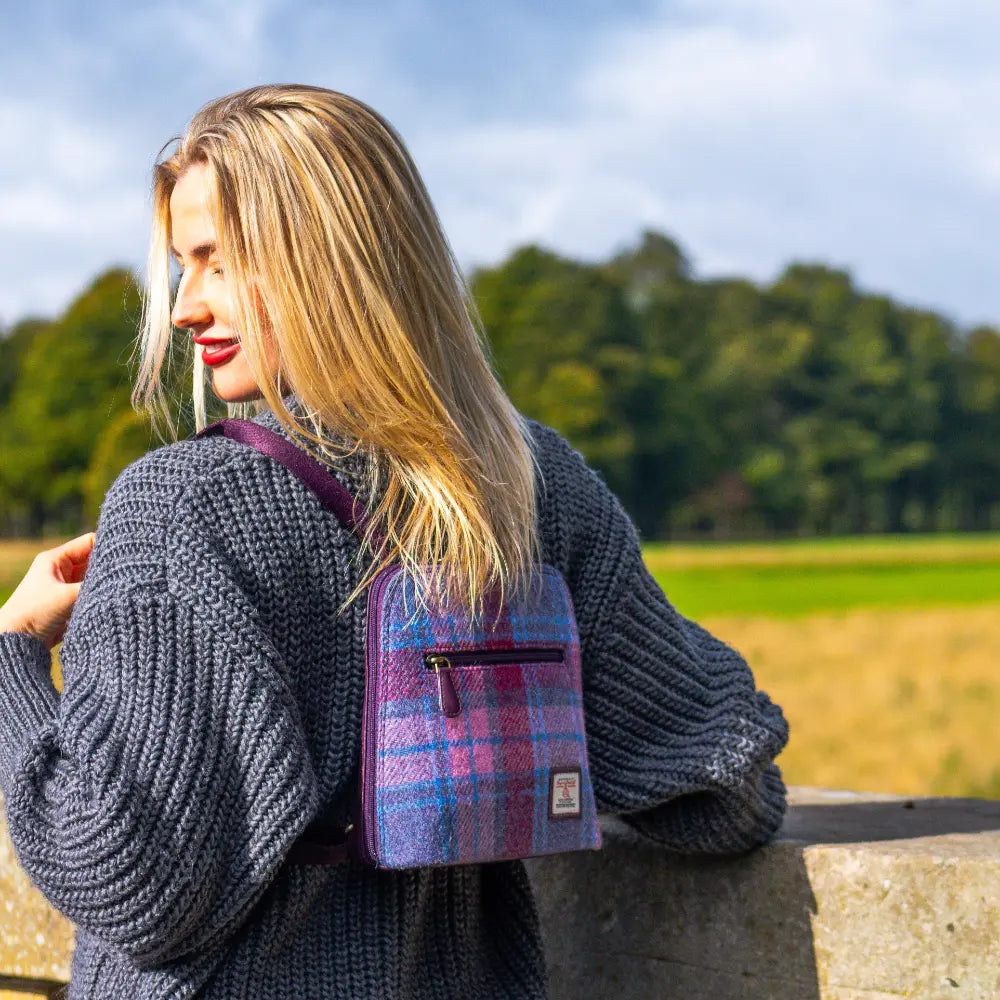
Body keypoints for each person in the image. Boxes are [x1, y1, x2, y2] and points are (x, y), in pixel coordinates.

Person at [0, 84, 789, 1000]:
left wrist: (12, 657)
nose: (183, 309)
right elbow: (726, 788)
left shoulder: (184, 510)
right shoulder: (531, 483)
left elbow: (126, 880)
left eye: (215, 262)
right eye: (184, 267)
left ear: (328, 259)